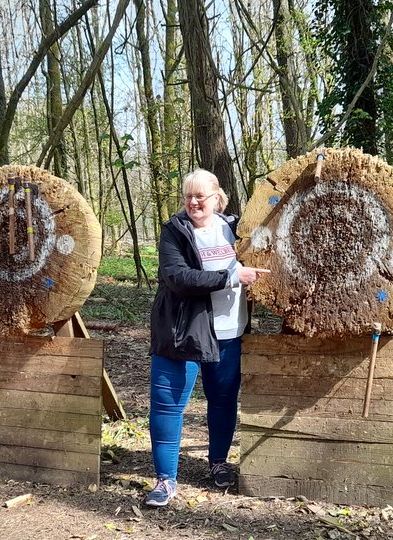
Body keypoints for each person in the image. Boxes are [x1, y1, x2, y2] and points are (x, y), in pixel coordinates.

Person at [144, 169, 270, 507]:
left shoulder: (237, 230)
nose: (194, 201)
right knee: (168, 407)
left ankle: (218, 463)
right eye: (188, 195)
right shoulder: (174, 231)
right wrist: (232, 276)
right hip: (181, 335)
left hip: (229, 333)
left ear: (217, 197)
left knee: (223, 400)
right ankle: (165, 481)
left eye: (201, 195)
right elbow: (178, 277)